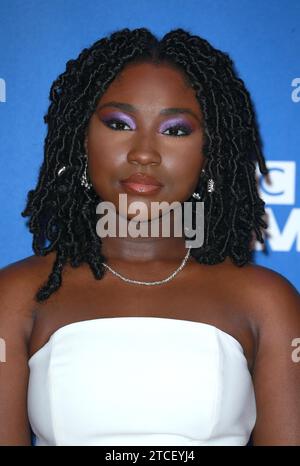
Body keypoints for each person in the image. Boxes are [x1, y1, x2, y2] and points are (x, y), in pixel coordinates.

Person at [0, 27, 299, 447]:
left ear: (210, 152)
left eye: (175, 130)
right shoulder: (17, 294)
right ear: (81, 140)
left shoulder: (266, 300)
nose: (144, 152)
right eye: (119, 123)